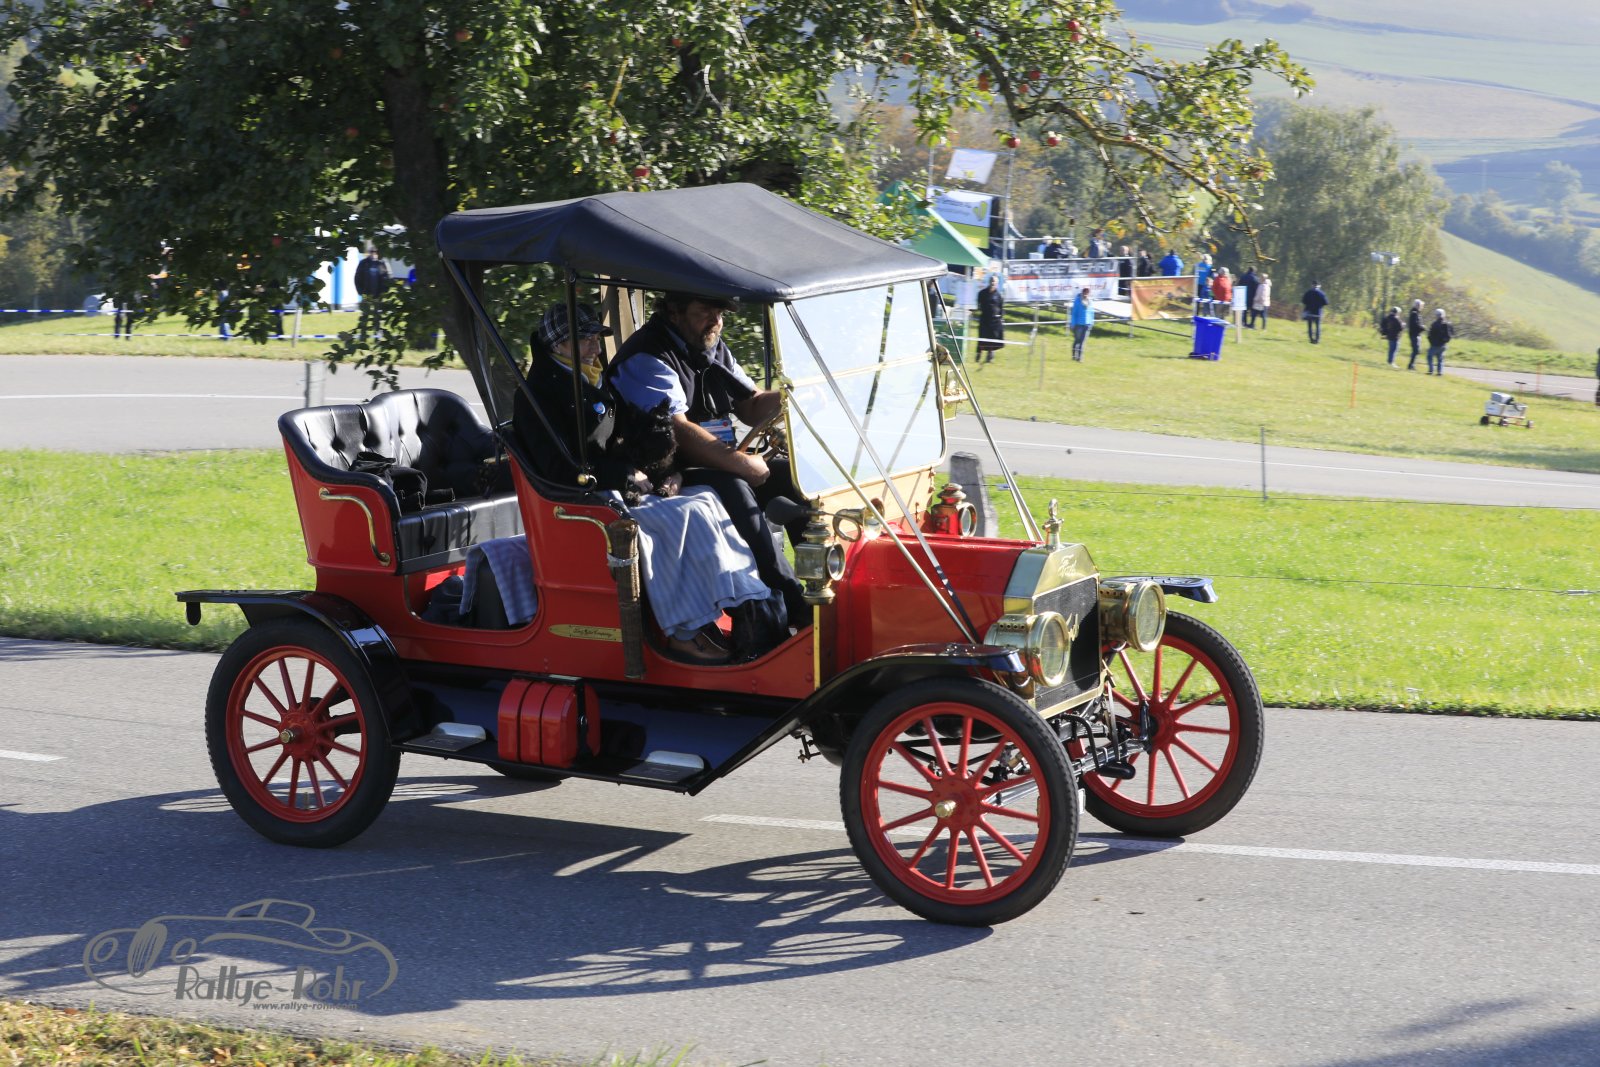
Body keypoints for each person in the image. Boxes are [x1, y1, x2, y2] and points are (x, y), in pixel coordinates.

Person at [515, 303, 771, 663]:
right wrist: (622, 475)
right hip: (585, 495)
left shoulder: (592, 379)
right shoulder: (539, 394)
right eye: (585, 339)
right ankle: (682, 630)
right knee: (681, 516)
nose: (596, 346)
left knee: (706, 499)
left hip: (620, 485)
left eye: (596, 337)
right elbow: (557, 467)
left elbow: (629, 441)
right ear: (559, 344)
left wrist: (669, 471)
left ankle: (740, 606)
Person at [607, 291, 808, 626]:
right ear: (674, 310)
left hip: (711, 460)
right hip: (667, 471)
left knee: (791, 475)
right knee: (735, 487)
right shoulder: (646, 357)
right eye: (705, 311)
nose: (716, 321)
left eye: (721, 313)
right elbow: (680, 432)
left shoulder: (710, 346)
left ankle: (824, 582)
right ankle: (793, 603)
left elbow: (750, 404)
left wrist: (794, 396)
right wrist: (743, 464)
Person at [354, 249, 390, 337]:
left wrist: (384, 291)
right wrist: (360, 291)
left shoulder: (381, 263)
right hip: (366, 294)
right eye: (372, 252)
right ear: (369, 253)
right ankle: (363, 335)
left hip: (378, 295)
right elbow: (357, 278)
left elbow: (386, 278)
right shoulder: (363, 263)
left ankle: (377, 335)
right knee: (365, 315)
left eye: (376, 252)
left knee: (377, 316)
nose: (374, 254)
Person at [976, 274, 1005, 363]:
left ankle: (990, 355)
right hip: (984, 320)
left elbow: (1001, 308)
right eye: (992, 281)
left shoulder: (999, 295)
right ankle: (978, 354)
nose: (993, 283)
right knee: (982, 337)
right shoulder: (982, 293)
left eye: (994, 282)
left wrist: (1001, 317)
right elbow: (978, 305)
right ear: (989, 282)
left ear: (997, 283)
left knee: (992, 338)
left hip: (994, 321)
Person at [1069, 287, 1094, 362]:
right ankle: (1074, 356)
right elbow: (1074, 313)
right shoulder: (1077, 301)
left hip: (1087, 324)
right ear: (1082, 292)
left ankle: (1079, 358)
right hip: (1078, 324)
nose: (1086, 293)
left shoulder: (1090, 301)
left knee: (1082, 342)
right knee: (1077, 340)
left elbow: (1091, 313)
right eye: (1085, 291)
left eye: (1087, 292)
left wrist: (1091, 323)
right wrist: (1073, 324)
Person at [1426, 309, 1452, 375]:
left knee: (1429, 356)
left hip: (1435, 344)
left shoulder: (1434, 324)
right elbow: (1449, 335)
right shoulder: (1446, 324)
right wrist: (1445, 341)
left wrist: (1431, 342)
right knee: (1440, 359)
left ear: (1436, 315)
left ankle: (1431, 370)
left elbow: (1429, 335)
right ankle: (1440, 372)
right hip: (1443, 345)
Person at [1406, 299, 1425, 370]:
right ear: (1418, 306)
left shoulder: (1416, 313)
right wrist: (1422, 327)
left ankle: (1412, 365)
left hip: (1416, 334)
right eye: (1421, 305)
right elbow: (1415, 325)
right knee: (1416, 350)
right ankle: (1411, 365)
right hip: (1414, 334)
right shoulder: (1414, 313)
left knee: (1416, 350)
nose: (1422, 307)